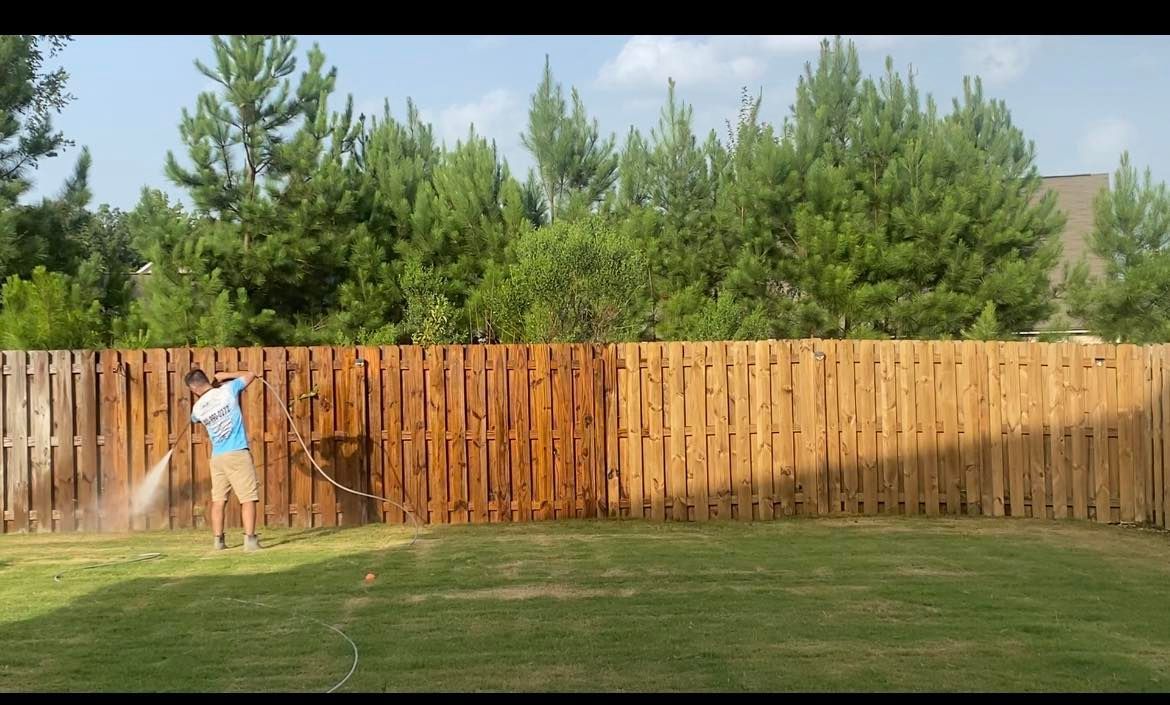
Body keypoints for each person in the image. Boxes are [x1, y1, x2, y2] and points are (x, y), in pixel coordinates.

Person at [185, 368, 262, 551]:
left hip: (217, 458)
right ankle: (250, 540)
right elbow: (252, 374)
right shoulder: (227, 390)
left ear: (194, 389)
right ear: (207, 380)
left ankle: (218, 541)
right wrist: (225, 376)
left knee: (219, 500)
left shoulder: (197, 408)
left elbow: (194, 419)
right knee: (248, 498)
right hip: (237, 453)